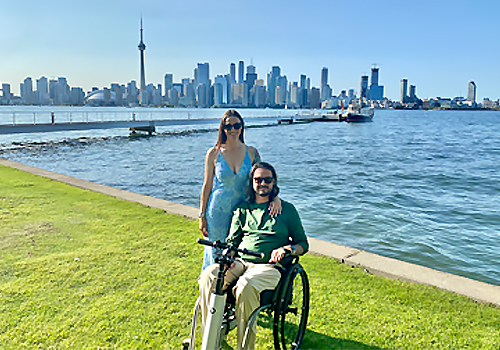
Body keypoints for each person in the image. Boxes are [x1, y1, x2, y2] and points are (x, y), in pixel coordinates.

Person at [198, 162, 309, 349]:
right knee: (209, 276)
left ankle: (245, 347)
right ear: (252, 183)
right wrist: (227, 255)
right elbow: (233, 242)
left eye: (267, 180)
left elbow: (303, 244)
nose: (262, 183)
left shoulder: (287, 210)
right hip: (241, 261)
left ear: (274, 183)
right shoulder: (242, 209)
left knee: (245, 285)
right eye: (258, 180)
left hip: (270, 267)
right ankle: (210, 340)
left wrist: (286, 249)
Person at [199, 110, 280, 270]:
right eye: (228, 126)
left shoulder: (251, 152)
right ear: (223, 128)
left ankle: (235, 291)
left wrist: (275, 197)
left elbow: (263, 179)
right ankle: (211, 289)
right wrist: (202, 215)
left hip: (244, 210)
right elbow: (207, 185)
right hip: (218, 211)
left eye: (237, 125)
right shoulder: (213, 153)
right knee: (216, 251)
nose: (233, 130)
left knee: (240, 251)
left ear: (242, 127)